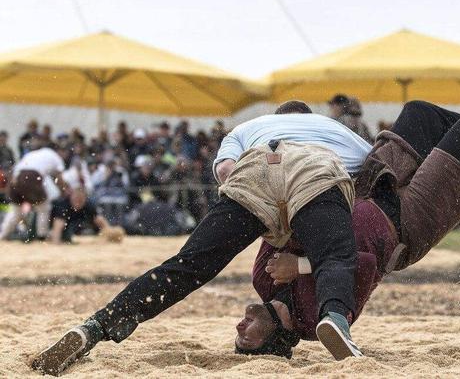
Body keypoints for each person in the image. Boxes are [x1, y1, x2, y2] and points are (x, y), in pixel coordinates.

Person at [31, 101, 373, 375]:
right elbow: (373, 179)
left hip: (255, 169)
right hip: (314, 172)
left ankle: (96, 326)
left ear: (275, 117)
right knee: (335, 257)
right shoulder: (340, 131)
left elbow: (225, 172)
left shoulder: (246, 129)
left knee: (187, 266)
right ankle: (335, 319)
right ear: (310, 118)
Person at [233, 90, 460, 358]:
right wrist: (302, 266)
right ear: (274, 341)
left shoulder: (263, 278)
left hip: (366, 184)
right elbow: (364, 264)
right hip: (405, 223)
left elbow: (277, 223)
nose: (239, 325)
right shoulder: (315, 321)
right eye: (245, 338)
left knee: (419, 112)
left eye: (238, 332)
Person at [0, 146, 68, 240]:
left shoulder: (33, 154)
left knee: (15, 211)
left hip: (16, 178)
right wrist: (64, 192)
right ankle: (42, 236)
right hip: (31, 177)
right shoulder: (56, 157)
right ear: (59, 151)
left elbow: (15, 170)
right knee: (44, 208)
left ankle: (3, 235)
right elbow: (60, 179)